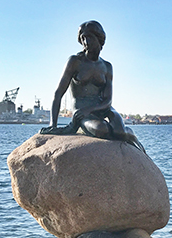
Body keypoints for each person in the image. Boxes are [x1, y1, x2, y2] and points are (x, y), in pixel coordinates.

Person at [40, 20, 144, 152]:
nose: (85, 42)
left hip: (103, 107)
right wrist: (52, 125)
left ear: (99, 38)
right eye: (82, 38)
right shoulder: (75, 61)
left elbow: (108, 100)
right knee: (102, 130)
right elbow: (58, 93)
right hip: (82, 111)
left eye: (89, 37)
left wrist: (95, 109)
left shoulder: (107, 66)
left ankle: (133, 139)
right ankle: (123, 137)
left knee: (120, 132)